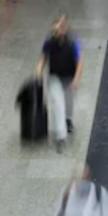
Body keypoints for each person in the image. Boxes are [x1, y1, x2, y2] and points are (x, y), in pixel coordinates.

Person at [36, 15, 83, 151]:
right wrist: (39, 69)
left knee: (69, 101)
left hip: (69, 75)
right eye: (53, 30)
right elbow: (43, 57)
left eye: (57, 31)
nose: (54, 33)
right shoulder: (49, 41)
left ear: (63, 30)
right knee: (58, 103)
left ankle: (68, 119)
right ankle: (60, 136)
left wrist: (76, 80)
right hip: (55, 76)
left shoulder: (74, 41)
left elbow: (79, 63)